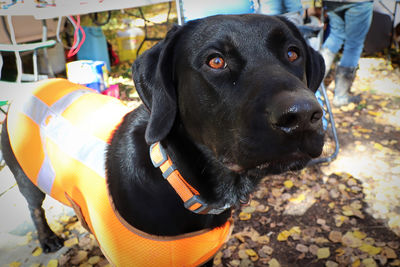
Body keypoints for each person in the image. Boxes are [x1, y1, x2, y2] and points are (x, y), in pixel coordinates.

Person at [320, 0, 374, 106]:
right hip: (358, 2)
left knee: (335, 36)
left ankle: (312, 85)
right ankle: (340, 97)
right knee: (353, 45)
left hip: (333, 1)